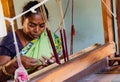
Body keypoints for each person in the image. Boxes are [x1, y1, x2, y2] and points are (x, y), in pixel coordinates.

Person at [0, 1, 62, 81]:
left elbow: (62, 59)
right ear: (22, 20)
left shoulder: (49, 37)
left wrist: (53, 63)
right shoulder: (10, 40)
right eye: (32, 25)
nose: (37, 30)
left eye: (42, 26)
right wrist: (14, 64)